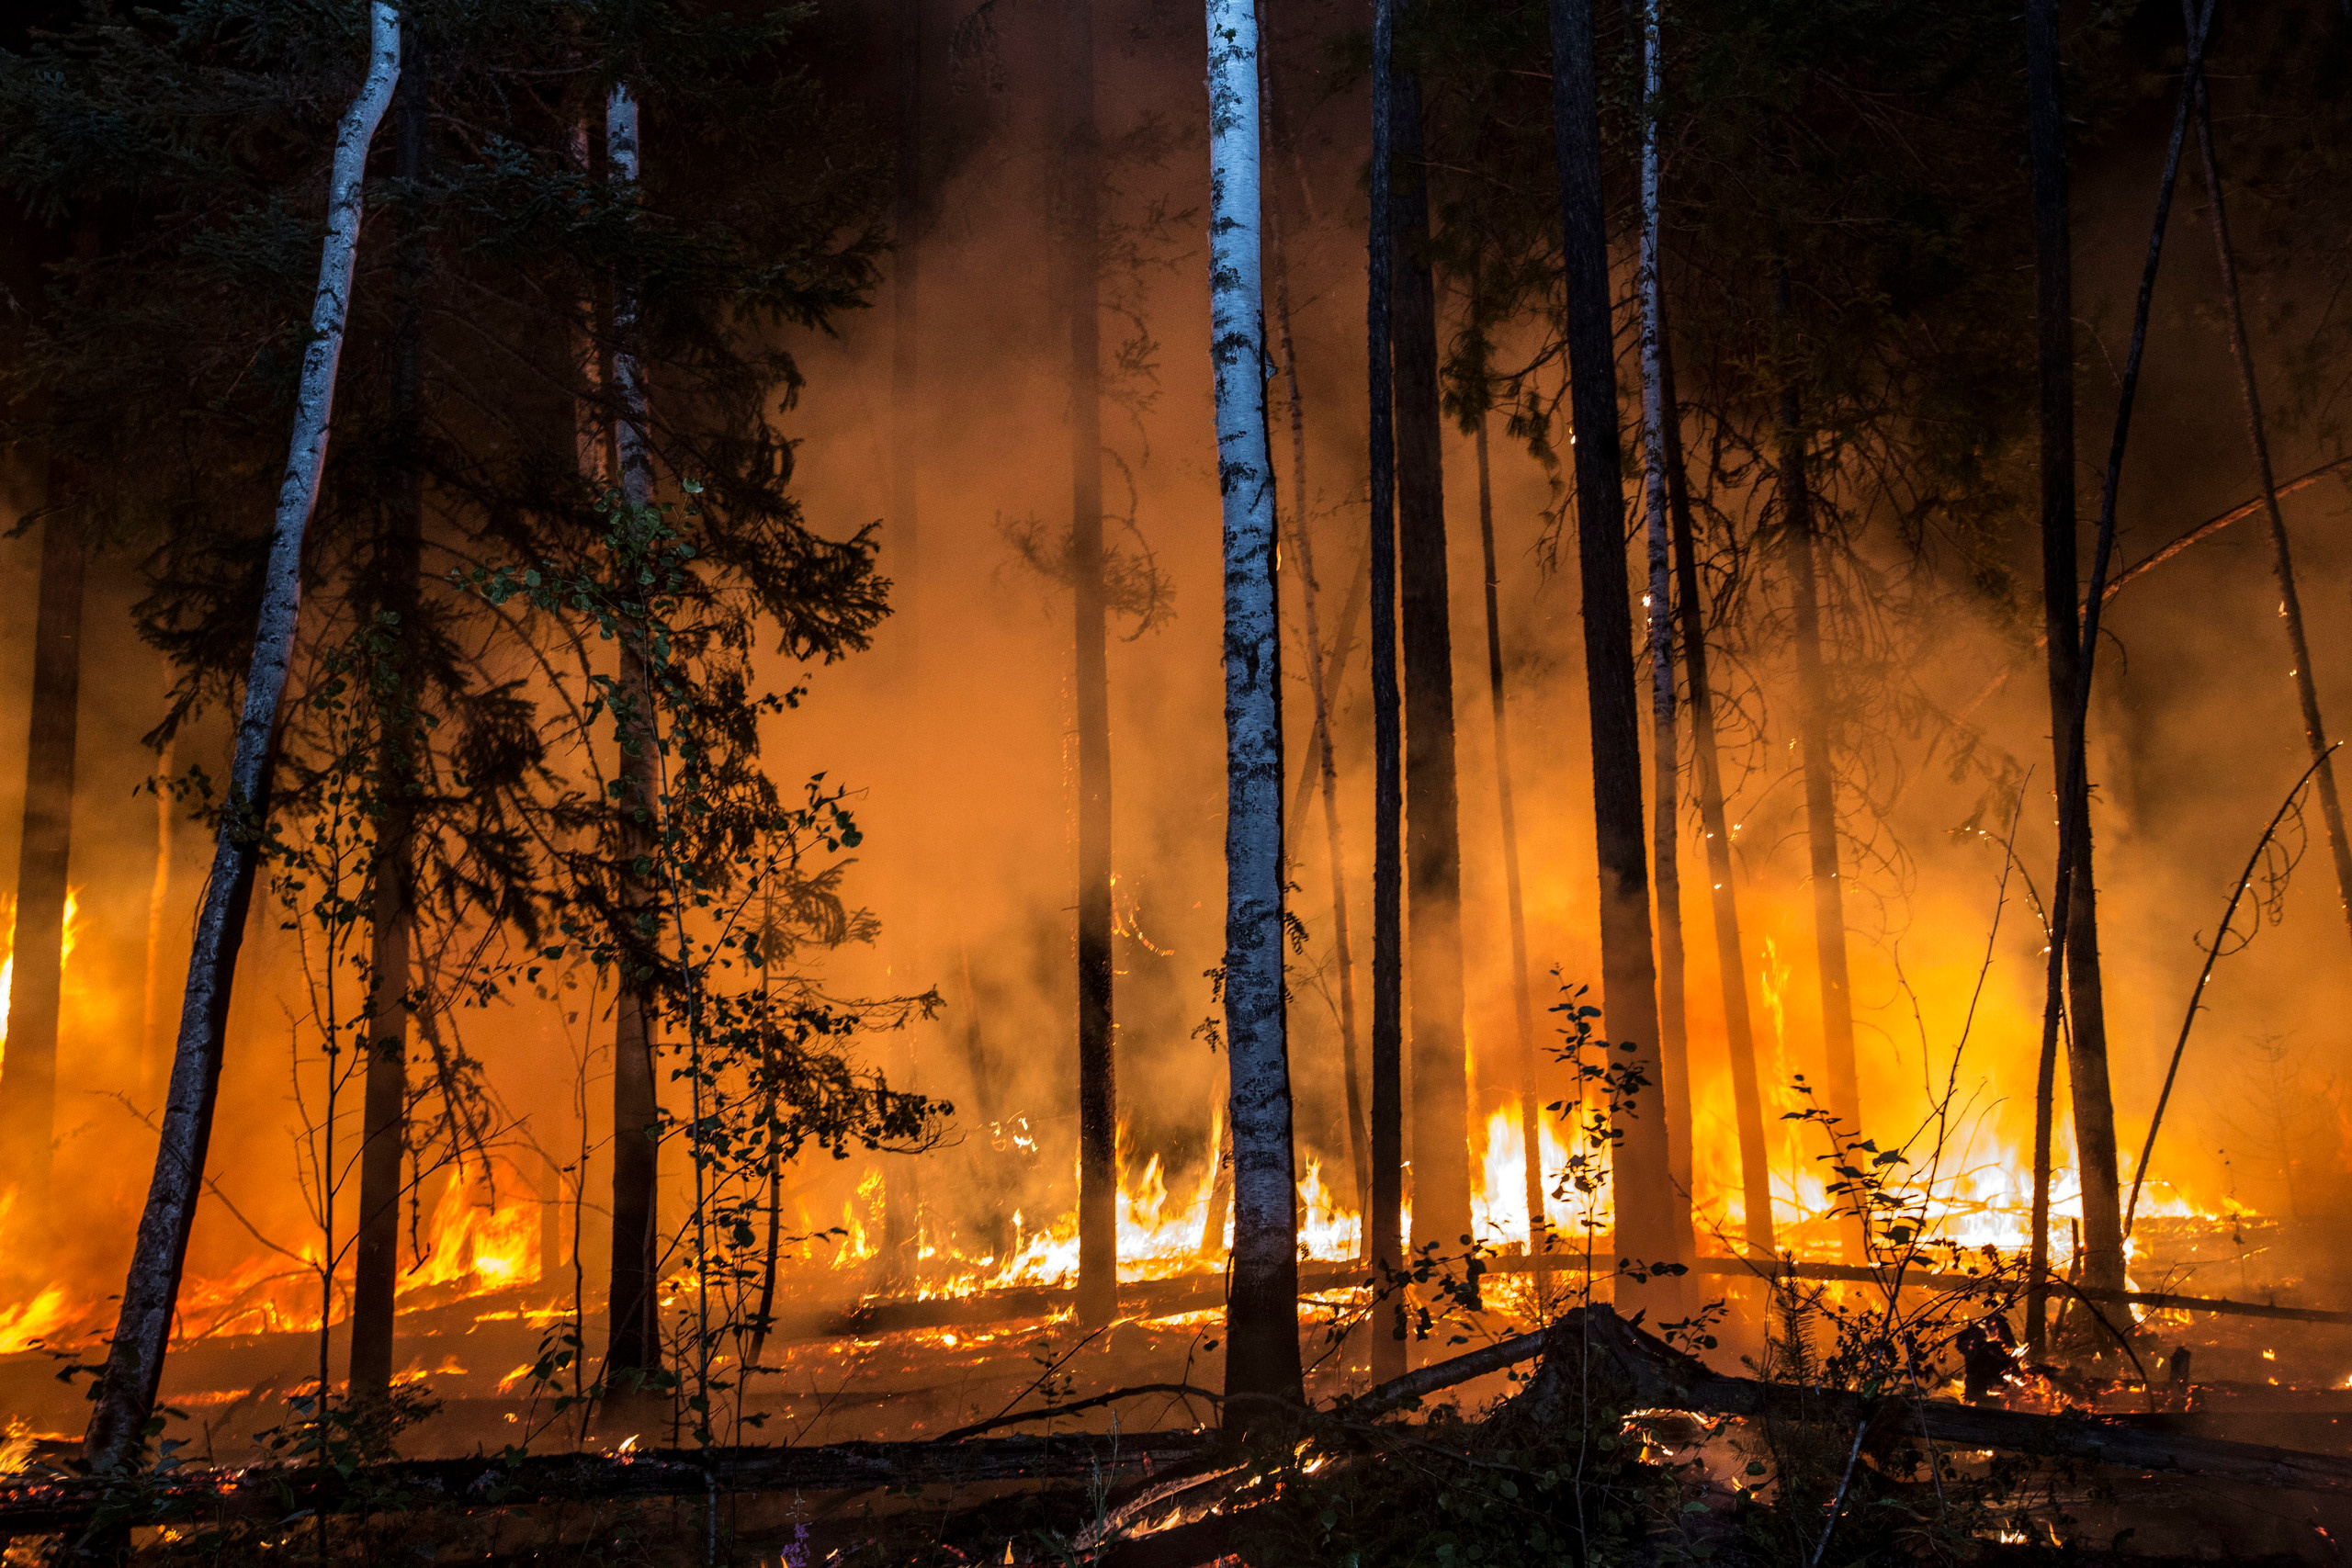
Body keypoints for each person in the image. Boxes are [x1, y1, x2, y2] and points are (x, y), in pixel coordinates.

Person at [1955, 1312, 2017, 1403]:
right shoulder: (1975, 1356)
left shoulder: (1993, 1349)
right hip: (1984, 1398)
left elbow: (2007, 1365)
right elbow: (1973, 1389)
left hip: (1997, 1396)